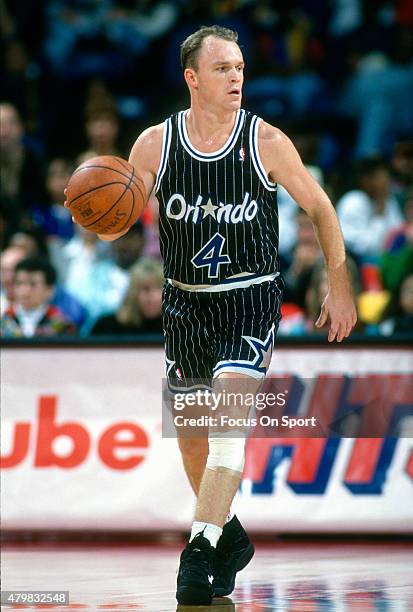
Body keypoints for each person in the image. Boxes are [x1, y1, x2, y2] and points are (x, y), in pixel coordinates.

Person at [67, 25, 357, 605]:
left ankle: (197, 550)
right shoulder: (154, 143)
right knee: (193, 442)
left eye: (241, 68)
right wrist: (98, 213)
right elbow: (122, 211)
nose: (236, 78)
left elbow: (321, 207)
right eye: (223, 68)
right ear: (192, 78)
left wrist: (339, 283)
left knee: (226, 434)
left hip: (248, 301)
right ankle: (229, 533)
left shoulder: (265, 141)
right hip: (183, 302)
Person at [1, 256, 77, 338]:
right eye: (19, 283)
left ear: (49, 289)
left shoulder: (63, 325)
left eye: (33, 284)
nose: (25, 290)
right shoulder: (4, 322)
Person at [89, 257, 163, 335]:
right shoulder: (106, 326)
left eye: (159, 288)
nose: (153, 296)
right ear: (133, 293)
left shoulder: (175, 329)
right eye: (146, 289)